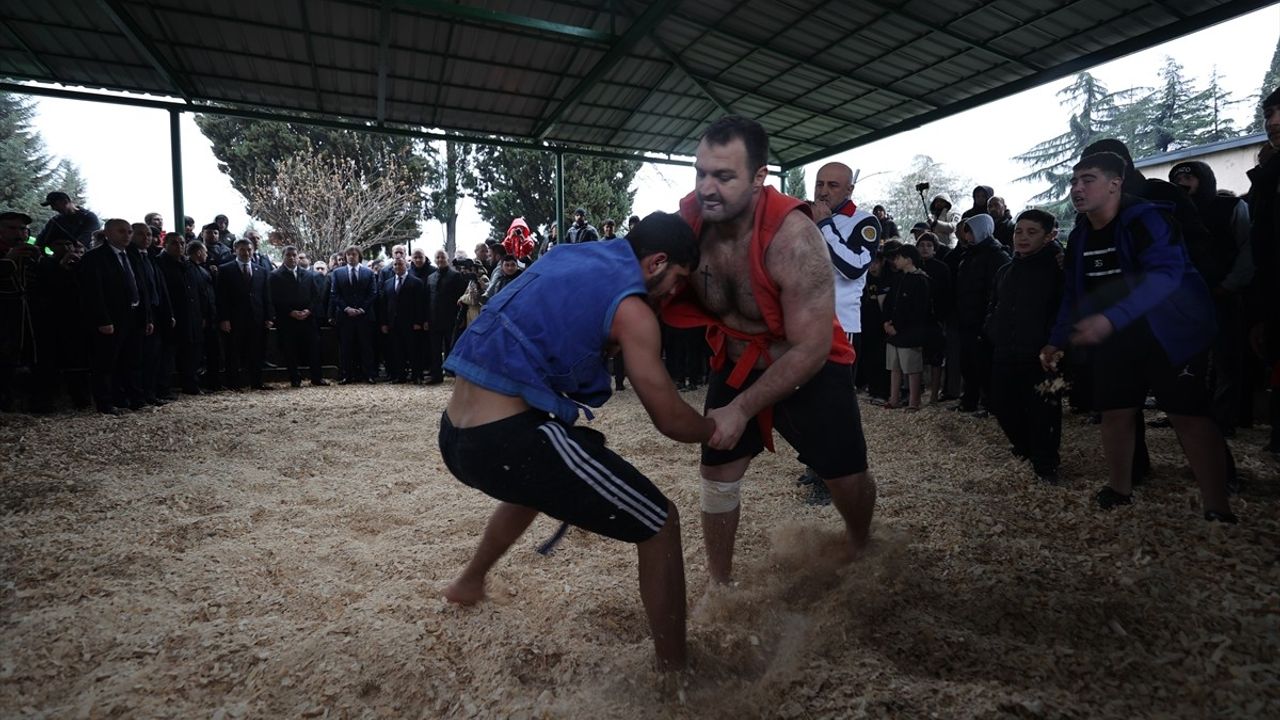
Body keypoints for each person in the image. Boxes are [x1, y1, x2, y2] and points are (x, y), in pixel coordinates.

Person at [439, 212, 712, 672]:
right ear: (657, 262)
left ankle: (469, 583)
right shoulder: (634, 310)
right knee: (661, 523)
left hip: (454, 434)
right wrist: (714, 427)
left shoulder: (567, 255)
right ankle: (676, 671)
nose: (673, 294)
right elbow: (669, 419)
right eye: (677, 281)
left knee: (533, 488)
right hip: (505, 441)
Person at [661, 116, 876, 583]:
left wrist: (741, 408)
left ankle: (861, 545)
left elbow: (812, 347)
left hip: (809, 367)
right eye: (700, 173)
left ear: (760, 178)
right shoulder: (687, 225)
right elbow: (636, 280)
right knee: (716, 477)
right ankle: (720, 583)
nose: (707, 188)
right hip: (736, 360)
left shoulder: (795, 239)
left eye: (724, 176)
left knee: (845, 478)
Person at [1041, 152, 1235, 522]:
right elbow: (1074, 293)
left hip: (1171, 334)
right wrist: (1057, 338)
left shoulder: (1148, 218)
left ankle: (1217, 504)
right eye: (1073, 181)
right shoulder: (1081, 234)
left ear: (1116, 183)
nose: (1077, 188)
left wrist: (1110, 320)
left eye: (1088, 179)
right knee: (1116, 411)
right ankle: (1119, 487)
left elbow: (1164, 277)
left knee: (1188, 415)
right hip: (1116, 338)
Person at [1168, 161, 1254, 438]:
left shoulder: (1230, 208)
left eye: (1188, 175)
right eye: (1176, 177)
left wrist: (1230, 285)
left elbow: (1248, 249)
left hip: (1222, 294)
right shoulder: (1171, 215)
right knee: (1188, 363)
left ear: (1204, 179)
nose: (1182, 180)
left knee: (1226, 360)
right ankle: (1191, 417)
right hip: (1185, 300)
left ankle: (1223, 419)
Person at [985, 209, 1064, 482]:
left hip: (1042, 354)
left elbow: (1062, 310)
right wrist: (992, 328)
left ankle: (1046, 465)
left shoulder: (1057, 270)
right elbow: (994, 305)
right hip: (1005, 350)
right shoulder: (1005, 270)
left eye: (1032, 232)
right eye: (1019, 231)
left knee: (1044, 410)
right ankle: (1025, 448)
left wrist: (1054, 342)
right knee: (1001, 404)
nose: (1023, 237)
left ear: (1048, 236)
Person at [77, 218, 153, 415]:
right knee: (106, 363)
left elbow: (141, 288)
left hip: (134, 316)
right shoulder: (94, 258)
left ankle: (134, 399)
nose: (127, 235)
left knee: (132, 361)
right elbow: (93, 292)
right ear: (108, 233)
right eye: (121, 231)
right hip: (111, 319)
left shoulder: (133, 256)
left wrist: (147, 318)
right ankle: (106, 403)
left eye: (129, 232)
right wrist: (103, 320)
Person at [1246, 87, 1280, 453]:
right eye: (1269, 113)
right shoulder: (1268, 184)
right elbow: (1263, 251)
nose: (1272, 122)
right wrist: (1260, 313)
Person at [954, 213, 1011, 415]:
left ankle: (991, 405)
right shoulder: (969, 254)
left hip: (984, 321)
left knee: (985, 365)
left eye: (968, 230)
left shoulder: (997, 255)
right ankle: (969, 401)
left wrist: (989, 319)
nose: (965, 234)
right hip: (967, 319)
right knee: (968, 363)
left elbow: (998, 292)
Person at [880, 242, 933, 411]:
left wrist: (898, 327)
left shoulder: (922, 280)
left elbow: (918, 310)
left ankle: (913, 401)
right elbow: (889, 302)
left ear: (909, 260)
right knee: (894, 367)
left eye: (899, 257)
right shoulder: (898, 278)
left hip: (911, 332)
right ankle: (894, 398)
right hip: (893, 330)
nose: (895, 260)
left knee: (912, 368)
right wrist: (886, 321)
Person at [217, 238, 274, 390]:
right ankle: (234, 383)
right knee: (233, 351)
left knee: (256, 351)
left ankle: (256, 382)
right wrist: (224, 319)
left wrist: (269, 317)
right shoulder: (225, 269)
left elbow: (266, 295)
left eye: (249, 249)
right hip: (235, 318)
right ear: (235, 250)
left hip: (256, 317)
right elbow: (221, 297)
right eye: (243, 249)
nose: (246, 253)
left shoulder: (261, 270)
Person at [0, 211, 42, 411]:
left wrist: (42, 261)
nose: (18, 233)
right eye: (11, 228)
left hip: (29, 318)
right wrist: (8, 260)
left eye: (22, 229)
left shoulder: (31, 253)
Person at [271, 246, 327, 388]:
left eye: (294, 255)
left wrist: (308, 310)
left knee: (314, 347)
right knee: (290, 349)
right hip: (288, 319)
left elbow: (316, 296)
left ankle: (317, 378)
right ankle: (295, 378)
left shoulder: (309, 275)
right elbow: (275, 298)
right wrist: (290, 312)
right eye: (288, 255)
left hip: (308, 318)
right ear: (283, 256)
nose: (292, 257)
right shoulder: (275, 275)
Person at [130, 222, 173, 406]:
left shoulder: (151, 257)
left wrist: (168, 313)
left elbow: (161, 288)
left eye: (148, 235)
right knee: (137, 359)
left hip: (157, 314)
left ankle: (150, 393)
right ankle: (136, 396)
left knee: (153, 357)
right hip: (138, 316)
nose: (146, 238)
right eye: (141, 234)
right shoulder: (129, 257)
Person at [156, 232, 204, 395]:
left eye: (182, 243)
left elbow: (197, 292)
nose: (179, 246)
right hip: (172, 317)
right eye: (174, 243)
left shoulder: (189, 265)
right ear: (165, 245)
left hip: (191, 316)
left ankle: (191, 385)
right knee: (168, 355)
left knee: (191, 354)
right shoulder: (159, 263)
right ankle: (163, 389)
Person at [330, 246, 377, 384]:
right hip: (345, 316)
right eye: (349, 254)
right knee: (346, 347)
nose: (351, 256)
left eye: (354, 254)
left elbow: (373, 293)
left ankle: (369, 374)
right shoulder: (337, 273)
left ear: (359, 256)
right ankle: (346, 375)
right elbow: (334, 294)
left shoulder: (368, 273)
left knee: (366, 346)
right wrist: (346, 308)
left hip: (364, 316)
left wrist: (362, 308)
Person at [915, 232, 951, 404]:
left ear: (935, 249)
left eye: (929, 246)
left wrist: (941, 317)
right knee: (916, 357)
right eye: (922, 245)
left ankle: (935, 395)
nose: (925, 248)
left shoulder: (941, 268)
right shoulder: (911, 266)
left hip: (935, 319)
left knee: (936, 359)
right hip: (917, 320)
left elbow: (946, 294)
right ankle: (917, 392)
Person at [379, 256, 428, 383]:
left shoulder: (416, 282)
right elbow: (384, 305)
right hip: (393, 323)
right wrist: (384, 323)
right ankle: (400, 376)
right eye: (395, 265)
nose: (397, 267)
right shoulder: (388, 283)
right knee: (397, 350)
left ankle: (416, 375)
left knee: (413, 350)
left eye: (400, 264)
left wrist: (418, 322)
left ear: (406, 265)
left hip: (411, 323)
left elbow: (420, 304)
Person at [426, 250, 468, 383]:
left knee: (452, 347)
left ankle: (455, 376)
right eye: (437, 257)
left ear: (447, 259)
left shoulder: (456, 276)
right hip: (434, 319)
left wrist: (461, 318)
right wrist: (426, 319)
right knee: (434, 349)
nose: (440, 259)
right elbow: (427, 300)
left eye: (442, 257)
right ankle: (436, 376)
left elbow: (462, 298)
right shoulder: (430, 277)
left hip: (451, 319)